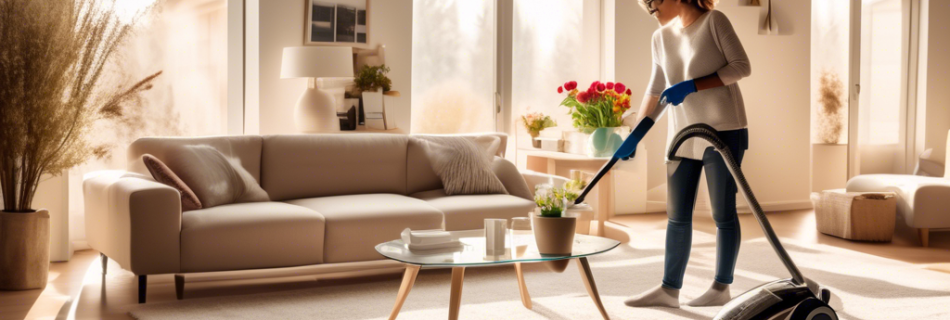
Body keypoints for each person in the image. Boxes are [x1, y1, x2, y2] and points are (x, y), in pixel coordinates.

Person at [616, 0, 752, 308]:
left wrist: (692, 86)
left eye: (653, 1)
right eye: (645, 4)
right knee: (677, 216)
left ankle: (721, 288)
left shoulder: (714, 21)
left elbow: (741, 67)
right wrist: (635, 136)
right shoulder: (660, 37)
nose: (649, 7)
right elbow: (655, 90)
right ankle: (669, 289)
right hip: (681, 136)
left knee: (722, 213)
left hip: (724, 130)